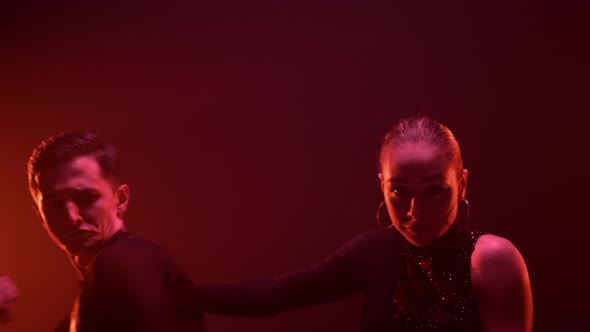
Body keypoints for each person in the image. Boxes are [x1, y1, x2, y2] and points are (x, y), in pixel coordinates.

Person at [196, 115, 533, 331]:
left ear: (462, 185)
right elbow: (276, 295)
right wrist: (181, 291)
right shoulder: (375, 253)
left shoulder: (491, 260)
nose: (415, 211)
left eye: (434, 190)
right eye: (399, 191)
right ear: (381, 186)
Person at [27, 132, 205, 332]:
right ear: (40, 216)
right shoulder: (88, 302)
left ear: (120, 199)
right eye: (54, 205)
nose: (71, 216)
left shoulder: (120, 260)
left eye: (86, 198)